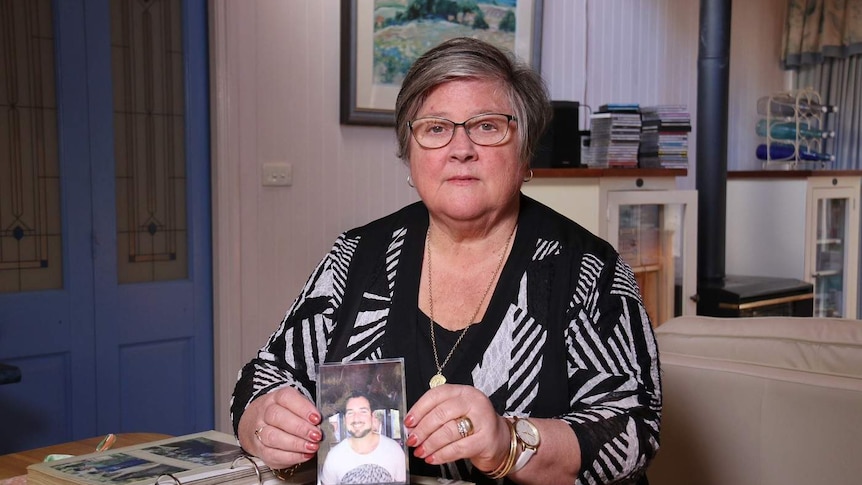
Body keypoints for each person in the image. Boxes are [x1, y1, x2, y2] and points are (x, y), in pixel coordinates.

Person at [231, 37, 661, 484]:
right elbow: (266, 373)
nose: (461, 148)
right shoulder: (356, 255)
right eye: (436, 128)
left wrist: (509, 441)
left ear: (525, 150)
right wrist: (263, 421)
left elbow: (634, 427)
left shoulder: (586, 269)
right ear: (410, 154)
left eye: (487, 126)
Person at [319, 392, 407, 485]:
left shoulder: (393, 450)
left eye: (363, 411)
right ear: (344, 420)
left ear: (372, 417)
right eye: (350, 413)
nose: (356, 418)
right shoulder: (334, 457)